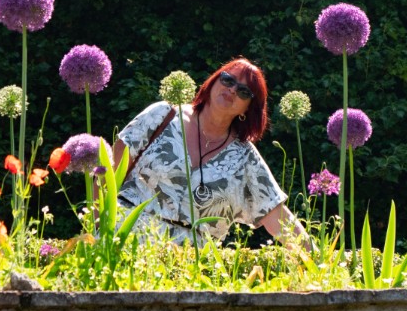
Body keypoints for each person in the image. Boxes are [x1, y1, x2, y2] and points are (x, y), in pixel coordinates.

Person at [113, 57, 308, 248]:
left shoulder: (245, 157)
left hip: (188, 262)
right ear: (213, 81)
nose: (232, 89)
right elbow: (107, 172)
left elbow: (278, 216)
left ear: (248, 109)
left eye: (244, 92)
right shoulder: (163, 115)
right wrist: (99, 226)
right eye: (228, 80)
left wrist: (316, 259)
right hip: (121, 242)